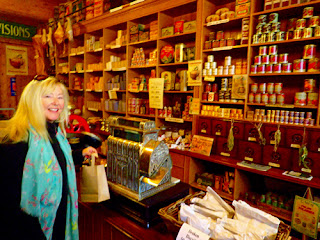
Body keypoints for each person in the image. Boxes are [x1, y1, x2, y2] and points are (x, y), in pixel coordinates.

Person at [0, 76, 98, 240]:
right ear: (32, 101)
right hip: (32, 230)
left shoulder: (55, 133)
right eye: (48, 96)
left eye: (60, 97)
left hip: (58, 221)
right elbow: (8, 200)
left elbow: (53, 164)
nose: (56, 102)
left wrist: (79, 154)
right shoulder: (17, 139)